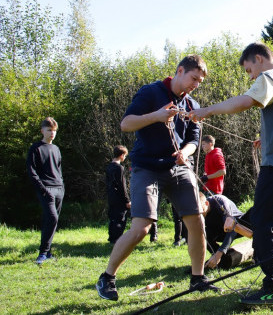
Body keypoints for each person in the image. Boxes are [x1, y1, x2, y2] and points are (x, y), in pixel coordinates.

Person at [188, 42, 273, 307]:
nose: (251, 76)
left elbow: (247, 101)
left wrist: (206, 110)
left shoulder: (269, 76)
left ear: (258, 59)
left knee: (265, 225)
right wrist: (270, 139)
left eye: (249, 70)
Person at [96, 55, 218, 301]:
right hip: (147, 167)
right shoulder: (151, 92)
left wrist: (185, 152)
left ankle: (198, 278)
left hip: (179, 167)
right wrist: (157, 116)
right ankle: (107, 278)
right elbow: (126, 124)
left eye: (200, 81)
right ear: (180, 71)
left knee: (196, 221)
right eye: (194, 78)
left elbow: (194, 141)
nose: (196, 84)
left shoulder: (192, 105)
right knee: (142, 228)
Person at [27, 117, 65, 265]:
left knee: (51, 222)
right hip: (46, 189)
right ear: (42, 130)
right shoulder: (35, 148)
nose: (52, 133)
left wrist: (62, 187)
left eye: (54, 131)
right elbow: (32, 171)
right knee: (52, 218)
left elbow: (59, 169)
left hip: (59, 189)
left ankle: (47, 252)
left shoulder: (56, 149)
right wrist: (43, 190)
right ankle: (42, 254)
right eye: (49, 130)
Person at [198, 192, 252, 269]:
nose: (199, 215)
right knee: (201, 234)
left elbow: (232, 227)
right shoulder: (195, 214)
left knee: (252, 215)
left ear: (206, 203)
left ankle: (259, 253)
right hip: (220, 230)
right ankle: (222, 258)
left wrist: (220, 252)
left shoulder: (220, 202)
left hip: (240, 226)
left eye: (201, 211)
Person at [105, 145, 131, 244]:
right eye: (125, 155)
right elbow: (122, 185)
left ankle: (112, 238)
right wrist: (127, 200)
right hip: (119, 198)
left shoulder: (109, 167)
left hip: (111, 196)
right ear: (121, 155)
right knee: (120, 219)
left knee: (112, 218)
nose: (125, 158)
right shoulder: (119, 168)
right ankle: (117, 239)